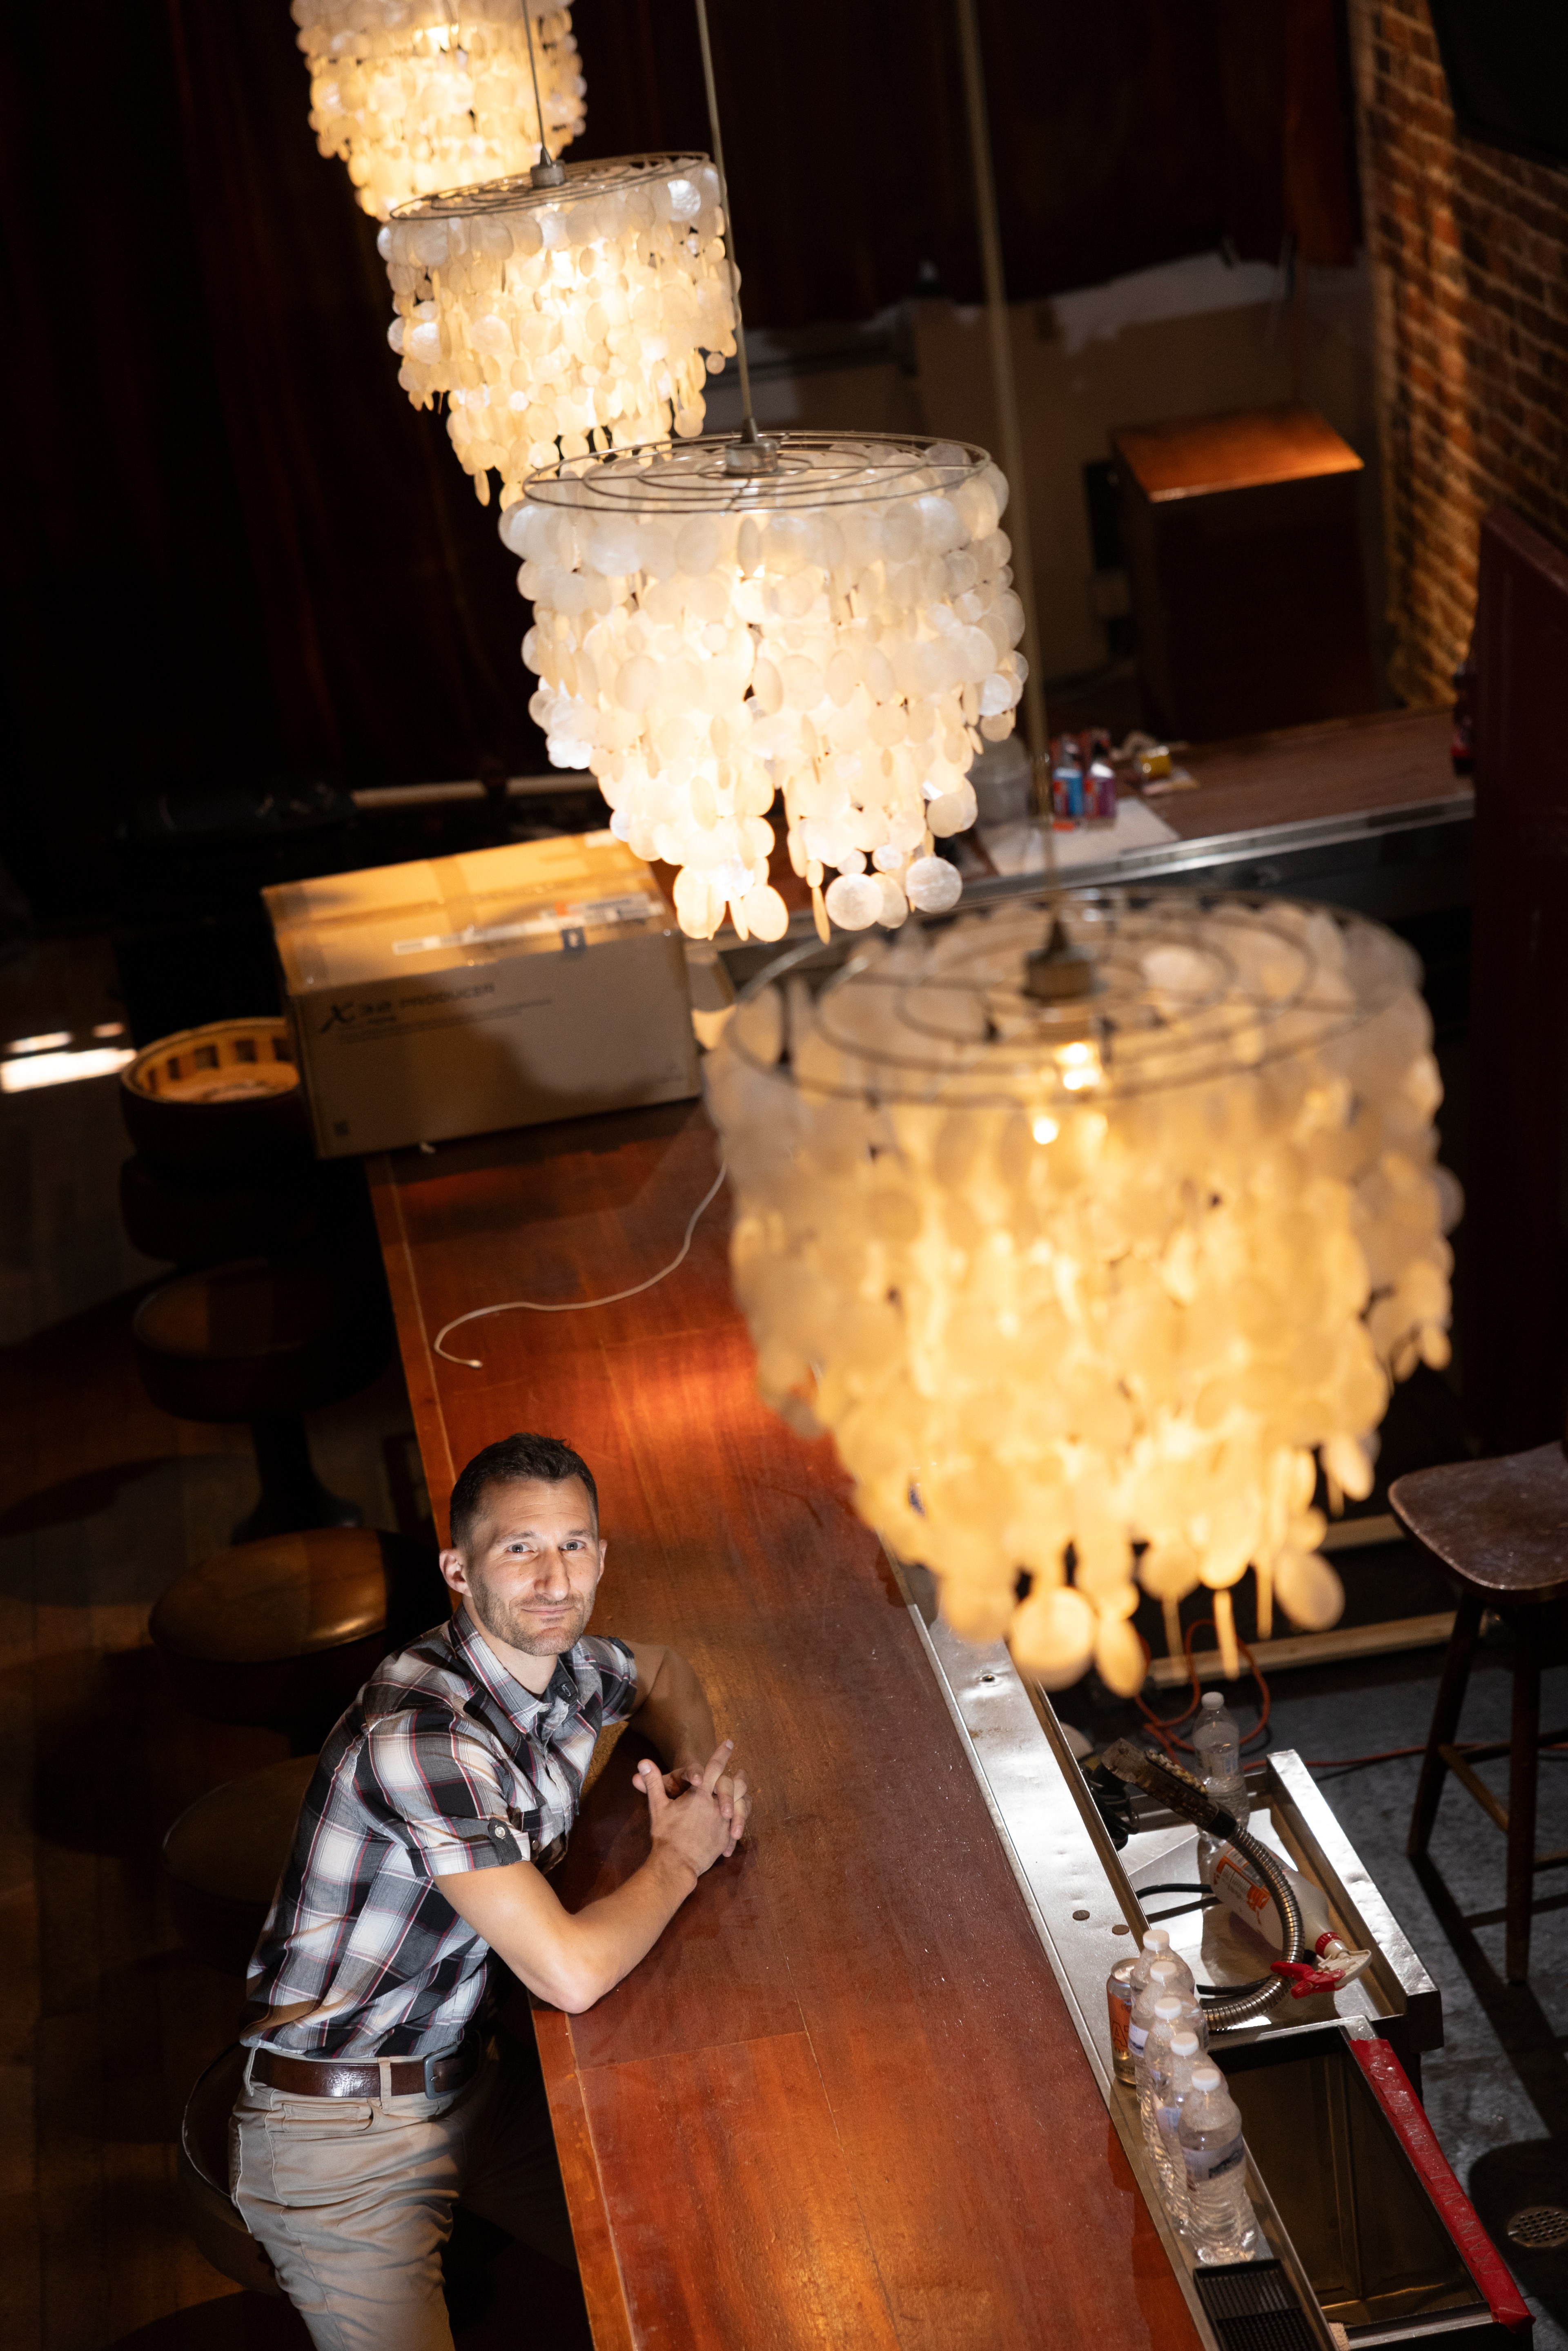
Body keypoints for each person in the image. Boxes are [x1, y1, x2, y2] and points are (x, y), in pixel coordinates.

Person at [230, 1430, 748, 2351]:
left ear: (601, 1556)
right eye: (520, 1549)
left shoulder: (559, 1670)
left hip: (471, 2082)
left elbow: (666, 1671)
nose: (555, 1580)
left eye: (574, 1545)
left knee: (696, 2254)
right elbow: (572, 1974)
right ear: (459, 1571)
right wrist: (683, 1856)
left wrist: (696, 1784)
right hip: (339, 2137)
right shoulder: (429, 1735)